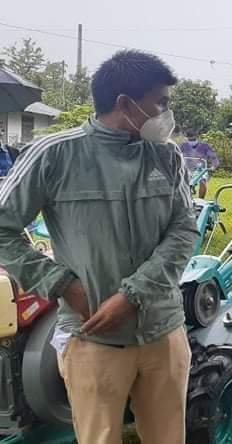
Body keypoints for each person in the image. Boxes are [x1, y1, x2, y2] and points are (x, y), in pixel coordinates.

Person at [0, 50, 198, 443]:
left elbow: (184, 230)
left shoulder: (165, 155)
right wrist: (62, 285)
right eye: (160, 102)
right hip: (93, 338)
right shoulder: (54, 155)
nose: (166, 114)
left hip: (163, 332)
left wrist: (133, 295)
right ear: (125, 104)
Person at [179, 129, 219, 199]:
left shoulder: (204, 146)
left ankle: (201, 199)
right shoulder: (183, 146)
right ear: (187, 137)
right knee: (183, 182)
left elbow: (213, 157)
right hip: (187, 169)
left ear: (197, 137)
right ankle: (187, 198)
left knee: (202, 181)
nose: (191, 141)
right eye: (190, 138)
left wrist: (214, 166)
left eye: (193, 138)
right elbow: (177, 155)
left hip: (201, 170)